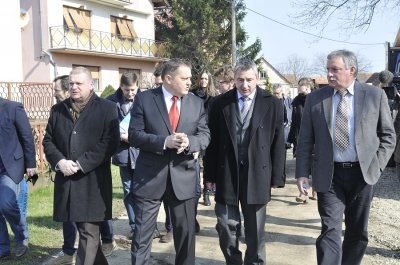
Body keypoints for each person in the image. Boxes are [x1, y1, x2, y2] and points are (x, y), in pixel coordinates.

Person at [295, 50, 396, 265]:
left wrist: (376, 166)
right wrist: (302, 173)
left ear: (352, 70)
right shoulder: (315, 98)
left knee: (357, 232)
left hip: (362, 174)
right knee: (330, 229)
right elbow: (305, 140)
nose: (330, 75)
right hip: (329, 176)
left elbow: (388, 136)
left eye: (335, 69)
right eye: (328, 70)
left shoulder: (374, 96)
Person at [128, 58, 210, 265]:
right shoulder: (145, 100)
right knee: (142, 236)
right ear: (168, 79)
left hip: (184, 179)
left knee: (185, 236)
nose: (190, 82)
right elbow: (135, 135)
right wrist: (164, 142)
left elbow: (205, 135)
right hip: (150, 179)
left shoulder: (196, 102)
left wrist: (189, 143)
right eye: (185, 78)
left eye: (190, 78)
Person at [205, 59, 286, 264]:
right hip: (227, 174)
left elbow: (278, 142)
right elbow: (212, 143)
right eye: (240, 80)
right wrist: (209, 176)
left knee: (255, 232)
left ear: (257, 79)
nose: (245, 85)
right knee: (225, 227)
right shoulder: (219, 103)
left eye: (249, 80)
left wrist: (277, 176)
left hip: (258, 174)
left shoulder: (273, 103)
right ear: (234, 79)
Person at [43, 67, 120, 265]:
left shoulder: (107, 108)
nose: (74, 87)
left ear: (90, 85)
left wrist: (81, 164)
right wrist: (59, 161)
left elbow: (109, 143)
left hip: (93, 182)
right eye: (71, 83)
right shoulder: (58, 110)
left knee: (88, 231)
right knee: (85, 230)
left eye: (79, 83)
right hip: (67, 181)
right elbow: (48, 141)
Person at [0, 97, 36, 260]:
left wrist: (30, 164)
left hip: (9, 166)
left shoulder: (13, 107)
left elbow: (27, 136)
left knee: (6, 203)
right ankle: (3, 249)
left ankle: (22, 237)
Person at [107, 72, 140, 240]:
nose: (130, 93)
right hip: (123, 154)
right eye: (127, 90)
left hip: (142, 153)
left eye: (133, 90)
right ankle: (134, 226)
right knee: (128, 190)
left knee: (144, 192)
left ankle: (146, 225)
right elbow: (106, 128)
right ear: (121, 87)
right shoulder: (111, 102)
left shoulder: (145, 100)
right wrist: (119, 136)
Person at [151, 63, 174, 243]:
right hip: (153, 161)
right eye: (156, 85)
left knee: (171, 201)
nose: (158, 88)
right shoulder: (147, 100)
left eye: (161, 85)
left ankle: (170, 229)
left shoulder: (182, 101)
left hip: (176, 164)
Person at [190, 70, 218, 207]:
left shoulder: (213, 96)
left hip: (209, 132)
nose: (203, 81)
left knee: (208, 163)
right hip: (195, 132)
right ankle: (195, 191)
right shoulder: (192, 94)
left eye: (206, 79)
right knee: (194, 162)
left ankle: (207, 191)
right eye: (201, 78)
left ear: (209, 80)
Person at [287, 78, 316, 202]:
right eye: (299, 85)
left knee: (315, 166)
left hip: (316, 139)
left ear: (308, 87)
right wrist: (290, 138)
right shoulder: (296, 101)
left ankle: (315, 191)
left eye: (302, 85)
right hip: (300, 138)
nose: (299, 87)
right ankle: (303, 193)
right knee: (302, 166)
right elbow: (294, 122)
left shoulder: (316, 99)